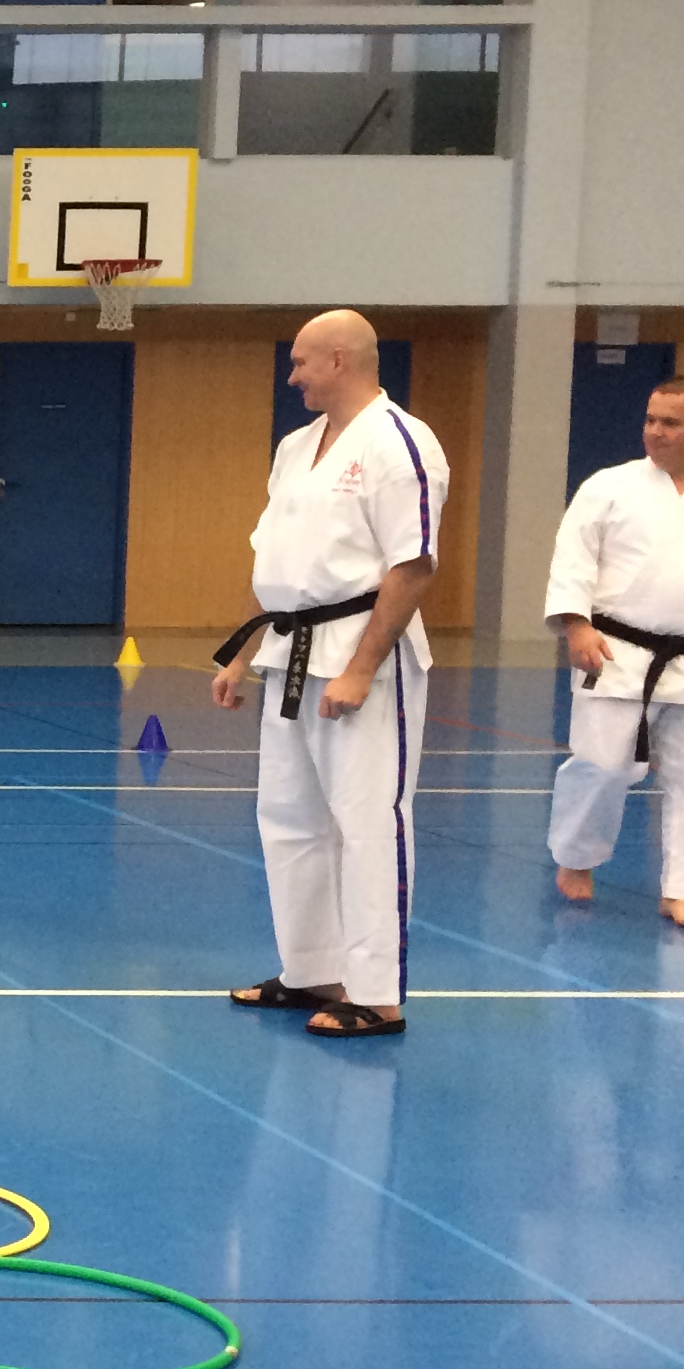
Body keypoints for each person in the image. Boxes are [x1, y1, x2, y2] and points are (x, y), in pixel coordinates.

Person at [212, 311, 448, 1039]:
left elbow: (414, 564)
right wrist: (244, 651)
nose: (293, 377)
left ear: (340, 360)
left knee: (369, 821)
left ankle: (376, 994)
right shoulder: (296, 446)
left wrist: (362, 667)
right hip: (290, 647)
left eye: (301, 363)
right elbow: (275, 559)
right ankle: (312, 969)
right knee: (289, 817)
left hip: (359, 653)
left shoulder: (400, 441)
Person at [544, 373, 684, 929]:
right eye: (650, 420)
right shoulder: (608, 486)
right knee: (602, 766)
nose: (654, 431)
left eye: (670, 422)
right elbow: (573, 561)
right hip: (616, 651)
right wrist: (576, 626)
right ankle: (577, 856)